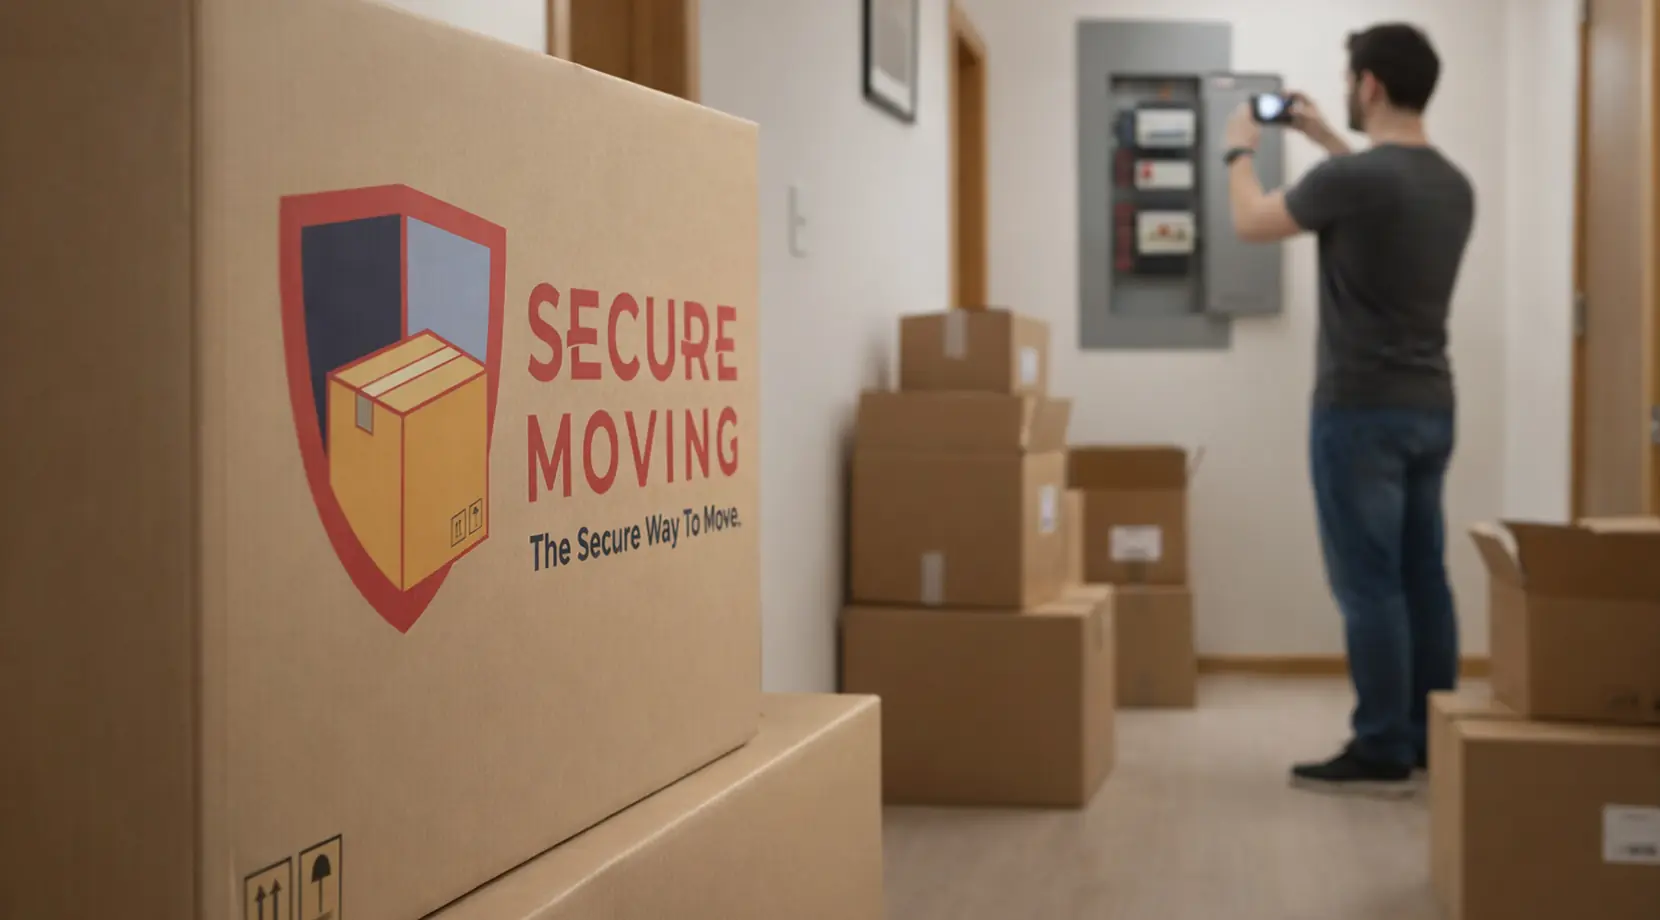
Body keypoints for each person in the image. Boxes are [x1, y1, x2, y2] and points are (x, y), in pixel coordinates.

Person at [1221, 23, 1475, 795]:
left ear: (1369, 84)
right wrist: (1330, 141)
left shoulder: (1356, 182)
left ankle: (1380, 747)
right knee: (1423, 575)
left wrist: (1238, 151)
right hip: (1432, 406)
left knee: (1369, 583)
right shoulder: (1452, 184)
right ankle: (1428, 737)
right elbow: (1376, 194)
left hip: (1360, 410)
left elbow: (1251, 221)